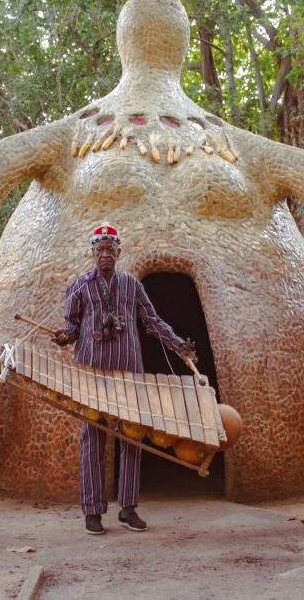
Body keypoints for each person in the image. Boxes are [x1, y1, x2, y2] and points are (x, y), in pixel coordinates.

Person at [51, 224, 196, 535]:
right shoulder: (79, 287)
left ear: (119, 252)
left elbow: (152, 321)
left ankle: (128, 509)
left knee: (132, 434)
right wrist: (64, 336)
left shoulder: (131, 285)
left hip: (129, 371)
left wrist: (178, 345)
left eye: (110, 249)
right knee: (93, 436)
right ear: (92, 252)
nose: (105, 255)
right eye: (99, 249)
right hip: (91, 372)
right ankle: (92, 511)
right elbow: (72, 325)